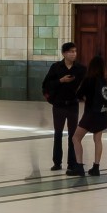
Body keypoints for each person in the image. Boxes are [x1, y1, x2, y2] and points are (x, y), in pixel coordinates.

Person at [42, 42, 85, 172]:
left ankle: (71, 163)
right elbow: (46, 84)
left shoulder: (80, 69)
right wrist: (61, 80)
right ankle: (57, 162)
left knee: (73, 135)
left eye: (75, 51)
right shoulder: (56, 67)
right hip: (59, 104)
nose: (74, 54)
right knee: (58, 133)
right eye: (71, 51)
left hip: (72, 104)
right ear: (64, 53)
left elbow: (86, 85)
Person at [69, 56, 107, 177]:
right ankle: (96, 168)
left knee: (76, 138)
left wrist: (85, 98)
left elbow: (78, 94)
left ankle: (79, 167)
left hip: (90, 114)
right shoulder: (103, 80)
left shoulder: (89, 80)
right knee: (97, 140)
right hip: (102, 114)